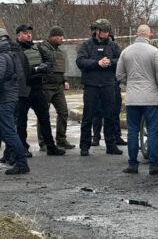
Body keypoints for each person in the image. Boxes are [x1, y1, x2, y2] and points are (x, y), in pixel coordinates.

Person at [116, 24, 158, 175]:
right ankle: (154, 165)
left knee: (132, 130)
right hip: (151, 98)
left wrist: (130, 83)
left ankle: (132, 165)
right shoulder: (154, 51)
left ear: (137, 34)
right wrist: (156, 86)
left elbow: (119, 75)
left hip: (133, 97)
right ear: (149, 35)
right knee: (152, 131)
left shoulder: (125, 52)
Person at [15, 24, 66, 156]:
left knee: (44, 118)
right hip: (23, 90)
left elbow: (49, 60)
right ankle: (23, 148)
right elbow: (19, 70)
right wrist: (35, 69)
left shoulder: (36, 48)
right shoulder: (15, 50)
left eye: (30, 33)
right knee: (21, 121)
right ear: (18, 35)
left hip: (38, 88)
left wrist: (45, 66)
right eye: (25, 33)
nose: (29, 35)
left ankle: (50, 147)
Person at [76, 19, 123, 156]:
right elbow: (80, 61)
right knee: (88, 116)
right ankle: (84, 146)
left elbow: (121, 60)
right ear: (97, 31)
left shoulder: (113, 45)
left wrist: (110, 62)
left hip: (108, 85)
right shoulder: (87, 45)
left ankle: (111, 144)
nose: (106, 34)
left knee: (110, 115)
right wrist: (97, 63)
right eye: (104, 31)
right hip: (91, 86)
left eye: (108, 32)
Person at [36, 26, 75, 150]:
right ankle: (43, 142)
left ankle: (61, 139)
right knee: (43, 114)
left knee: (63, 112)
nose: (62, 38)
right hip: (45, 86)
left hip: (58, 87)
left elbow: (61, 67)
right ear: (53, 36)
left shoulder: (59, 50)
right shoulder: (42, 48)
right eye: (60, 36)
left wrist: (65, 80)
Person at [0, 28, 30, 174]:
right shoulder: (11, 54)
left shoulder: (2, 57)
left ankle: (22, 164)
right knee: (5, 131)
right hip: (10, 97)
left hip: (5, 99)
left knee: (9, 132)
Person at [91, 80, 127, 146]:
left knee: (115, 112)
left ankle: (117, 136)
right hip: (99, 83)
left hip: (113, 83)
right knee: (97, 111)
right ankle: (96, 137)